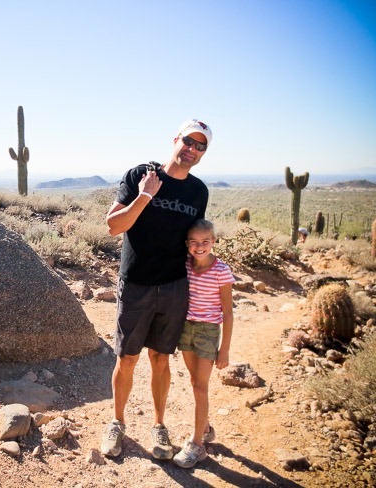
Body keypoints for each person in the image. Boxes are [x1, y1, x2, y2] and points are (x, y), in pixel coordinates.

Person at [101, 119, 212, 460]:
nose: (192, 149)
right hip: (136, 282)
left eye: (201, 146)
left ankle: (159, 426)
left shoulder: (198, 191)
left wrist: (212, 279)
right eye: (188, 141)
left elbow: (195, 240)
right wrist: (146, 195)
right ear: (176, 139)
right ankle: (117, 422)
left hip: (175, 286)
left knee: (161, 358)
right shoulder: (140, 175)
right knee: (127, 358)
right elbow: (113, 226)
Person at [172, 219, 235, 468]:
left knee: (201, 386)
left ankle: (197, 445)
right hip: (186, 328)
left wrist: (224, 349)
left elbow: (228, 312)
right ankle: (206, 428)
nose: (199, 247)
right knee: (194, 381)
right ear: (187, 243)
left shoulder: (221, 271)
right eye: (194, 242)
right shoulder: (185, 265)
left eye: (205, 242)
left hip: (208, 332)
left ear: (214, 242)